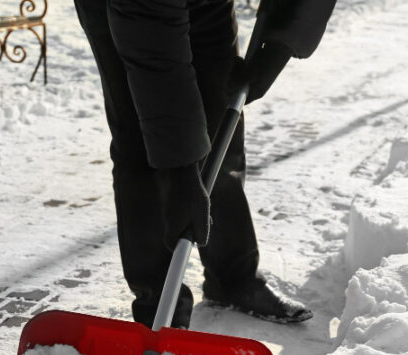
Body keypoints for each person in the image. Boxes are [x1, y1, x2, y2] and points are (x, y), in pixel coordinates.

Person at [73, 0, 337, 328]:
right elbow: (154, 52)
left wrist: (279, 43)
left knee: (220, 116)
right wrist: (180, 171)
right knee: (144, 137)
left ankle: (232, 279)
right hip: (129, 10)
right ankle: (159, 306)